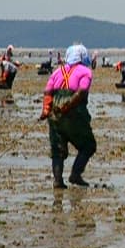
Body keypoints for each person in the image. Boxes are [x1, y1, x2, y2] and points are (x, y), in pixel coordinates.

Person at [39, 44, 96, 188]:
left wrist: (46, 109)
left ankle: (58, 181)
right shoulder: (85, 72)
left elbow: (48, 92)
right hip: (74, 115)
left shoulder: (57, 72)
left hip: (55, 116)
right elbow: (81, 92)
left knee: (57, 150)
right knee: (88, 146)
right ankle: (75, 175)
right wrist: (67, 106)